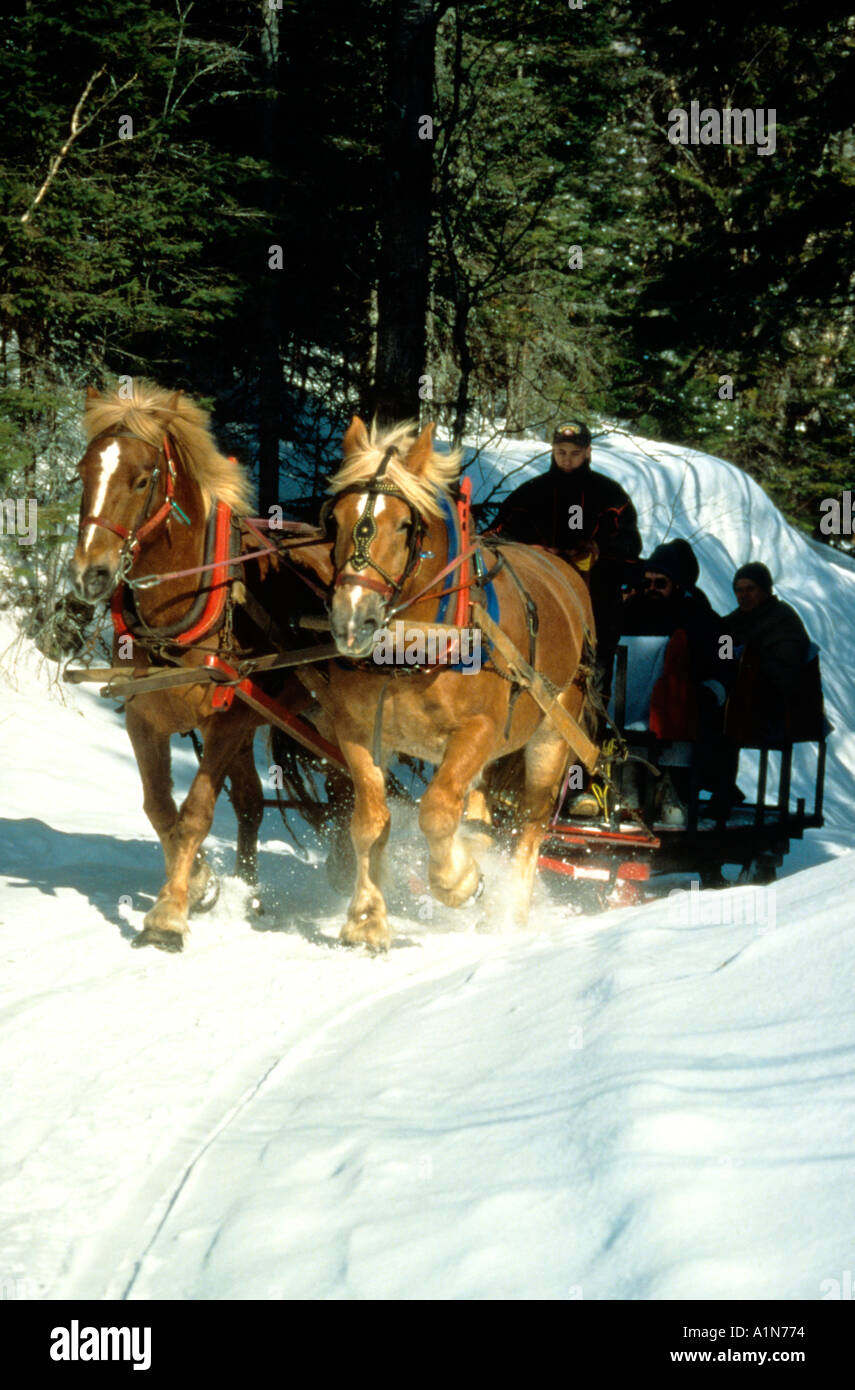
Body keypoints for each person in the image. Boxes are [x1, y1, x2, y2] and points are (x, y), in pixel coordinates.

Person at [491, 422, 642, 699]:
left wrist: (598, 549)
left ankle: (591, 730)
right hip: (537, 598)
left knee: (592, 675)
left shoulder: (609, 494)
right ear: (552, 451)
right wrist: (528, 550)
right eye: (561, 452)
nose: (567, 459)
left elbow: (630, 543)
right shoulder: (530, 493)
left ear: (588, 452)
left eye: (574, 452)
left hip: (595, 600)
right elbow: (497, 534)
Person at [616, 539, 721, 823]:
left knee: (678, 732)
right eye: (647, 582)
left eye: (659, 583)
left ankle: (669, 790)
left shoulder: (697, 615)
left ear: (675, 583)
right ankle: (625, 790)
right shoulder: (630, 610)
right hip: (626, 697)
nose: (652, 589)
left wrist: (712, 688)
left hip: (676, 702)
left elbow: (720, 657)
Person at [718, 562, 824, 747]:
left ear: (765, 590)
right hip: (742, 705)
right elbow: (722, 654)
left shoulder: (782, 619)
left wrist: (746, 663)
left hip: (780, 711)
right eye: (739, 590)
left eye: (750, 589)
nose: (743, 596)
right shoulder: (735, 622)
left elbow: (785, 672)